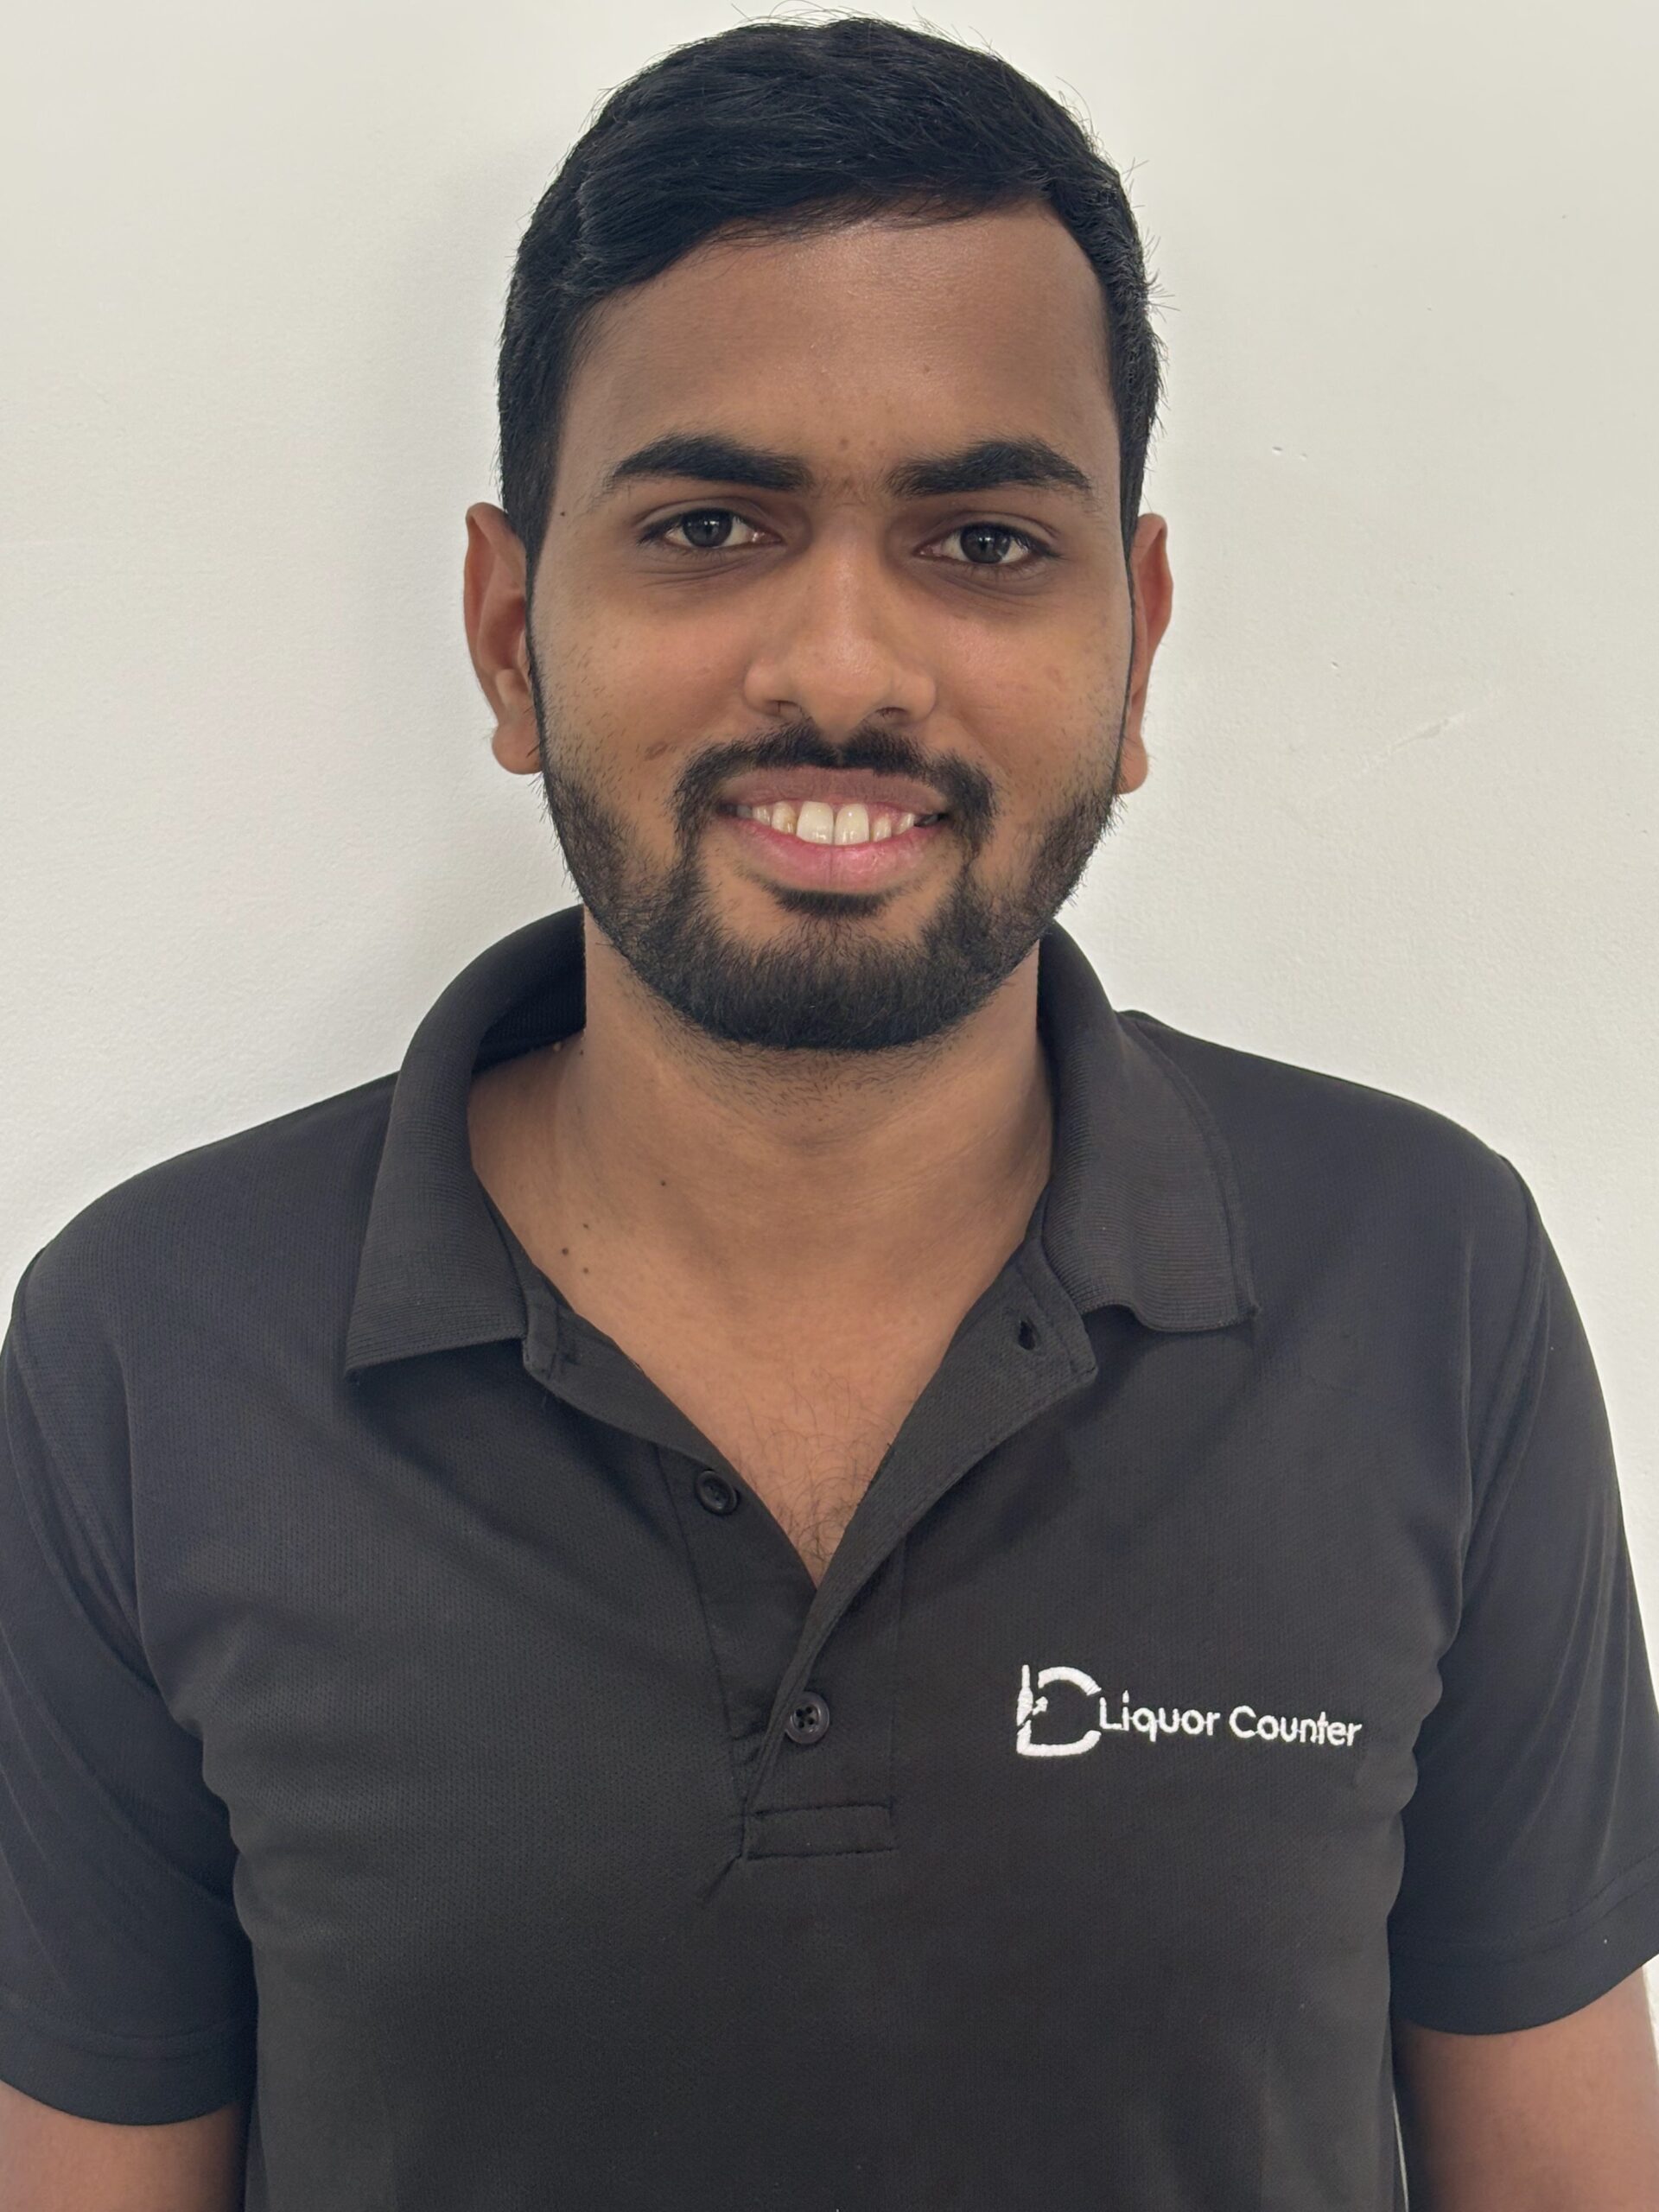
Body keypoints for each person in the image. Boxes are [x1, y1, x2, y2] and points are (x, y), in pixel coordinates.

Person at [3, 15, 1658, 2210]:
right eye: (708, 525)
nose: (847, 668)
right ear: (509, 633)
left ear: (1138, 643)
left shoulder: (1425, 1280)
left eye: (983, 540)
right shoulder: (150, 1345)